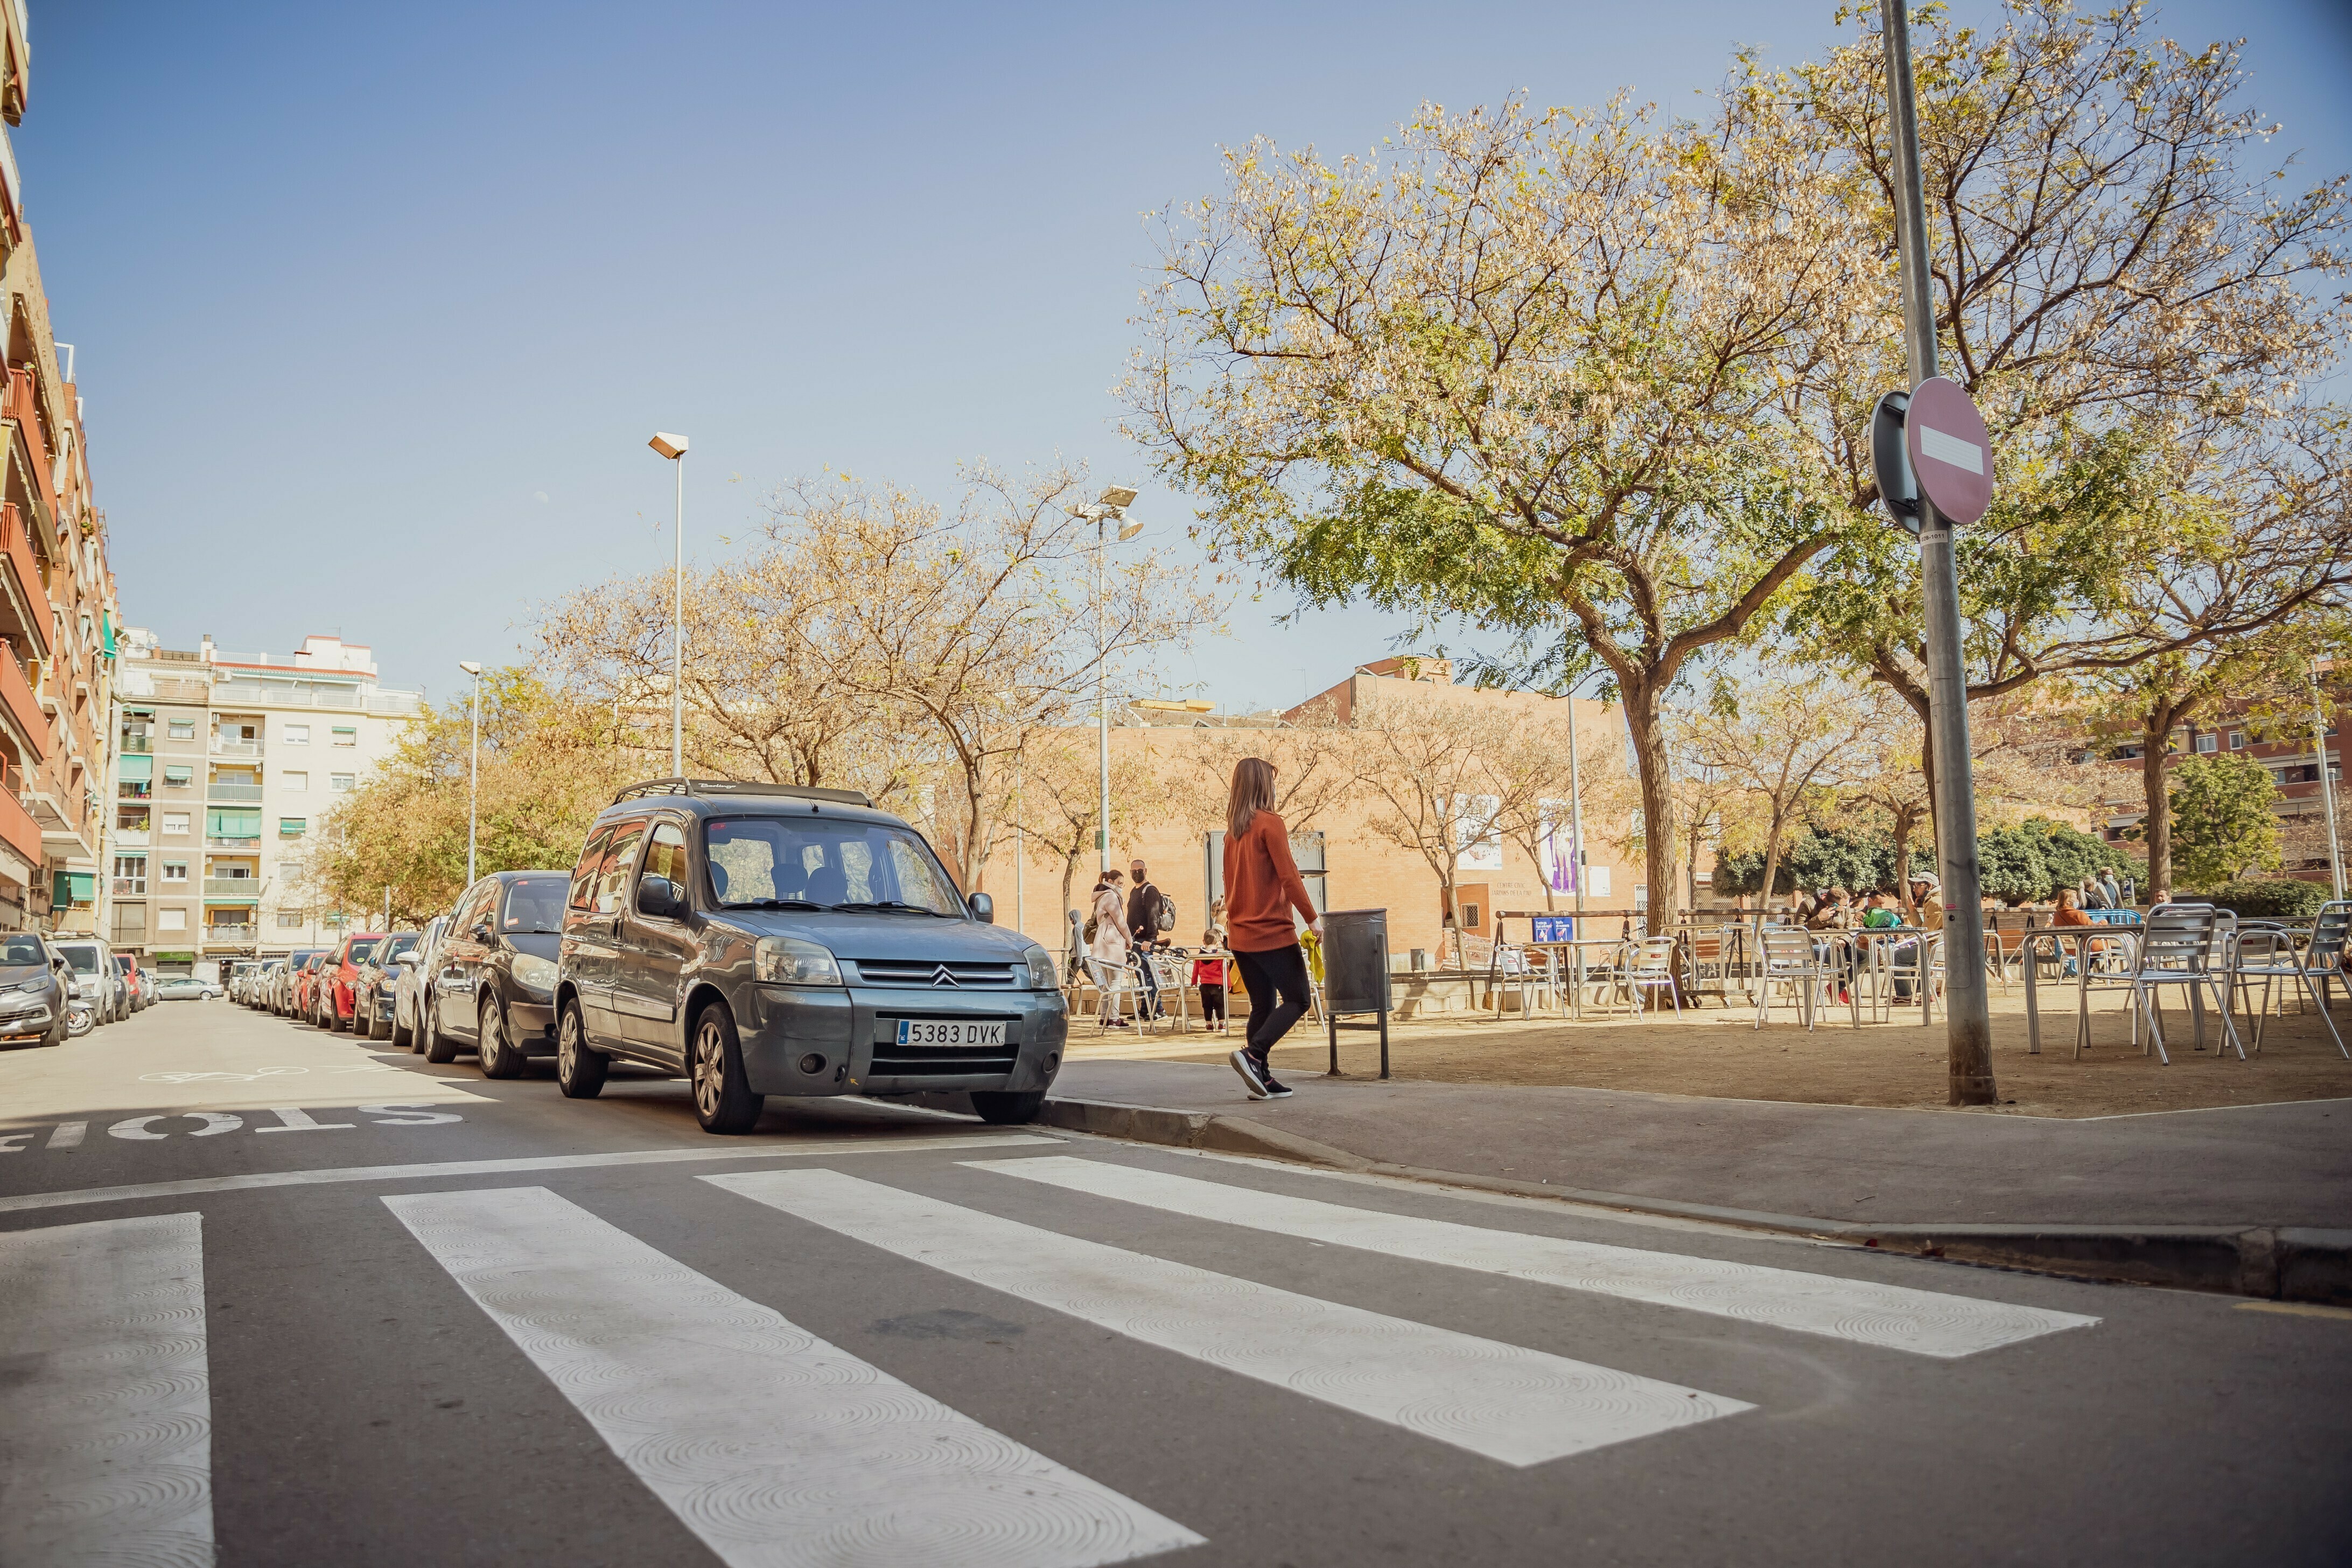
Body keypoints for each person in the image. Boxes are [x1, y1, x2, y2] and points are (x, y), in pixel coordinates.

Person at [1221, 756, 1322, 1100]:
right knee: (1298, 999)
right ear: (1264, 785)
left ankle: (1260, 1079)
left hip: (1240, 934)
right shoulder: (1270, 823)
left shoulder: (1232, 834)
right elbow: (1290, 876)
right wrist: (1312, 917)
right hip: (1272, 932)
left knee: (1262, 1006)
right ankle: (1254, 1054)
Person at [1089, 870, 1133, 1028]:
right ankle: (1114, 1018)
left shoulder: (1101, 897)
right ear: (1111, 881)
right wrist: (1130, 939)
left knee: (1106, 984)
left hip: (1102, 944)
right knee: (1115, 983)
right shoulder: (1112, 897)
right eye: (1120, 883)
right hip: (1112, 944)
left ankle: (1104, 1018)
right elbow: (1120, 922)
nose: (1121, 887)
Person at [1126, 859, 1167, 1019]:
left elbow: (1153, 915)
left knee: (1148, 975)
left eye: (1140, 870)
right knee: (1140, 976)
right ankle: (1145, 1009)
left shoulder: (1150, 891)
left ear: (1146, 871)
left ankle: (1158, 1009)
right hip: (1135, 942)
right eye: (1134, 871)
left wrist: (1150, 939)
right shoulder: (1133, 892)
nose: (1137, 873)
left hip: (1145, 943)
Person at [1192, 929, 1229, 1034]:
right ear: (1218, 942)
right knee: (1220, 1006)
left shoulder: (1199, 957)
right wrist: (1229, 984)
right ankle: (1222, 1024)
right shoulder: (1220, 957)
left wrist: (1194, 981)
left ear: (1204, 941)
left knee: (1207, 1006)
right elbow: (1225, 972)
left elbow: (1196, 970)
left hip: (1205, 985)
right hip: (1218, 985)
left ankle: (1209, 1025)